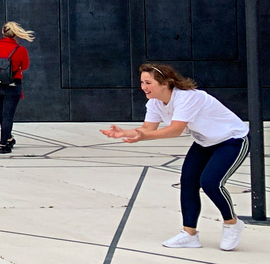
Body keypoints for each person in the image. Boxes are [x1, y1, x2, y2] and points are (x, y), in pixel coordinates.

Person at [101, 63, 247, 251]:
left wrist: (143, 136)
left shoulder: (187, 97)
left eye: (148, 82)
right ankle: (190, 234)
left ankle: (232, 223)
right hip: (204, 142)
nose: (144, 87)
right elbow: (148, 129)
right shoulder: (154, 102)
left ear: (166, 83)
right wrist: (125, 133)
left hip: (232, 139)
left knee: (211, 182)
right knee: (188, 182)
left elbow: (175, 130)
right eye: (142, 82)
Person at [0, 21, 33, 153]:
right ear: (15, 34)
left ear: (3, 32)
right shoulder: (20, 50)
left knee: (3, 113)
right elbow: (25, 66)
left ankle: (8, 138)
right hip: (12, 85)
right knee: (8, 115)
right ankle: (3, 144)